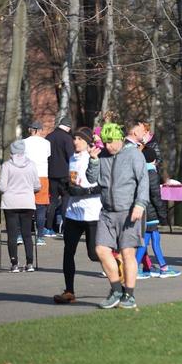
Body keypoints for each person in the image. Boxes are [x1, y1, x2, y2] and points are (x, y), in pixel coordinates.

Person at [87, 123, 149, 309]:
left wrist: (140, 204)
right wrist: (93, 160)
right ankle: (116, 290)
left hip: (128, 211)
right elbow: (91, 179)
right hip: (107, 211)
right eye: (105, 142)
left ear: (120, 139)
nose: (108, 146)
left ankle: (129, 295)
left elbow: (143, 181)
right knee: (100, 250)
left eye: (111, 142)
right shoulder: (102, 155)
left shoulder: (134, 154)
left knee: (127, 253)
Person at [53, 128, 102, 303]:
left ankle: (118, 269)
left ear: (89, 142)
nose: (75, 142)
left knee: (94, 254)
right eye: (74, 138)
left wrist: (83, 191)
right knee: (68, 252)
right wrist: (66, 187)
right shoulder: (72, 158)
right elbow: (73, 180)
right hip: (73, 213)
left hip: (92, 213)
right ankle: (69, 291)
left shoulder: (96, 159)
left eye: (80, 139)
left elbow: (101, 186)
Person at [0, 140, 41, 272]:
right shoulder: (31, 165)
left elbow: (3, 187)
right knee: (27, 234)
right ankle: (30, 263)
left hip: (10, 203)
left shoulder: (7, 165)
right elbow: (37, 186)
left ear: (12, 152)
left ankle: (14, 263)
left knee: (12, 234)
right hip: (27, 202)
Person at [136, 147, 181, 277]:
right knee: (146, 240)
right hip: (151, 212)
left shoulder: (140, 172)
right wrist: (163, 213)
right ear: (154, 160)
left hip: (144, 210)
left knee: (154, 237)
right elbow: (155, 195)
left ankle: (163, 266)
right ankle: (136, 266)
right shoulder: (152, 173)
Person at [45, 117, 74, 237]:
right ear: (68, 127)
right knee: (66, 200)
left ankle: (48, 228)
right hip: (64, 174)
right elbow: (71, 156)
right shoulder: (67, 138)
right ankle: (66, 229)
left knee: (52, 201)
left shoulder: (49, 137)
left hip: (51, 173)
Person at [24, 121, 51, 245]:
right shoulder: (46, 143)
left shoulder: (24, 142)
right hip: (42, 176)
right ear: (39, 130)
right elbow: (47, 155)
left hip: (27, 175)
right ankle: (40, 237)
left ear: (31, 129)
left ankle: (23, 235)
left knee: (25, 207)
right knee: (40, 208)